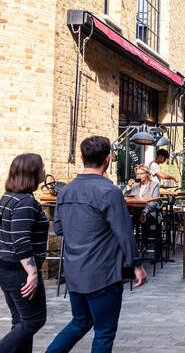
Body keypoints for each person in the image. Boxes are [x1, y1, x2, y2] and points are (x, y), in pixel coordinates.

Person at [47, 136, 147, 353]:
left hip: (74, 271)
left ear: (82, 158)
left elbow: (60, 228)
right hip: (103, 274)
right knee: (104, 331)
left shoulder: (65, 191)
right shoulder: (109, 192)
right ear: (108, 159)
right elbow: (124, 232)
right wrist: (136, 264)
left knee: (80, 322)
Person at [0, 154, 50, 353]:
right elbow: (21, 241)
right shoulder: (25, 202)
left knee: (21, 321)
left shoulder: (8, 196)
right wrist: (32, 273)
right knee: (34, 320)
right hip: (18, 271)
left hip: (2, 266)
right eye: (42, 166)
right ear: (33, 172)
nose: (45, 169)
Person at [123, 165, 161, 240]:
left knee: (145, 218)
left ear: (147, 174)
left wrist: (145, 211)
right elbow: (122, 196)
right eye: (137, 174)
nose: (139, 176)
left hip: (150, 211)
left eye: (141, 174)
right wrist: (128, 187)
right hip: (136, 211)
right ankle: (131, 242)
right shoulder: (135, 185)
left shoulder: (154, 185)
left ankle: (144, 244)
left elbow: (154, 202)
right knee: (127, 218)